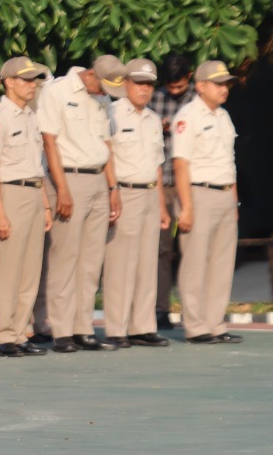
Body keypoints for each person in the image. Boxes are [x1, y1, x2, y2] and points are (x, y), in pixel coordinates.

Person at [37, 62, 115, 353]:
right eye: (104, 86)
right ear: (92, 74)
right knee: (65, 258)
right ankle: (61, 329)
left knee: (92, 261)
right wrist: (62, 189)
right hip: (69, 177)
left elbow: (106, 144)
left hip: (98, 178)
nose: (106, 93)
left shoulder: (102, 98)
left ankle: (83, 327)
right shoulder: (57, 91)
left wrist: (114, 187)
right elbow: (49, 142)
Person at [0, 56, 53, 357]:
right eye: (25, 79)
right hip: (9, 195)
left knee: (29, 271)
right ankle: (2, 336)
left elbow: (38, 165)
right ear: (8, 82)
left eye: (35, 79)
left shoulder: (31, 116)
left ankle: (21, 331)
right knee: (8, 271)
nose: (32, 85)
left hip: (34, 193)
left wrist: (46, 205)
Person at [102, 58, 171, 348]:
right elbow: (107, 155)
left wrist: (163, 206)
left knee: (147, 262)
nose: (145, 90)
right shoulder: (112, 113)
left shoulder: (154, 119)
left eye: (149, 84)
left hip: (149, 193)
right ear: (125, 83)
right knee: (121, 263)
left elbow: (157, 165)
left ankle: (142, 325)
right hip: (125, 191)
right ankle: (117, 328)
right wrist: (112, 190)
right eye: (139, 83)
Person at [173, 60, 242, 345]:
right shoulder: (189, 116)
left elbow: (230, 160)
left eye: (226, 83)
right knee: (195, 262)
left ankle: (215, 323)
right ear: (200, 86)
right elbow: (180, 164)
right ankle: (196, 325)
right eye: (218, 83)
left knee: (222, 264)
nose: (224, 89)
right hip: (199, 193)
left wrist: (234, 201)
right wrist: (186, 207)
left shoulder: (224, 116)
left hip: (225, 194)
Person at [152, 53, 195, 329]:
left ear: (189, 79)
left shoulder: (200, 99)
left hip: (192, 184)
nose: (175, 91)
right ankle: (160, 309)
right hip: (163, 182)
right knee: (161, 249)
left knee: (192, 248)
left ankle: (195, 310)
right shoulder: (155, 98)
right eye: (171, 87)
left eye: (180, 86)